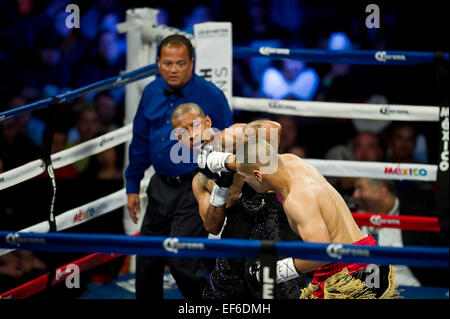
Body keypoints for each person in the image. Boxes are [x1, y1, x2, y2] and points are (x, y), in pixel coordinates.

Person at [198, 138, 401, 299]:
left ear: (258, 176)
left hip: (348, 276)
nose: (248, 184)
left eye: (247, 179)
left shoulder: (298, 199)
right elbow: (255, 158)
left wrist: (275, 270)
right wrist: (222, 161)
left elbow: (321, 253)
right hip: (370, 261)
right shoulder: (292, 161)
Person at [125, 34, 234, 300]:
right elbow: (140, 140)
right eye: (168, 63)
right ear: (158, 63)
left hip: (195, 185)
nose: (174, 69)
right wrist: (132, 184)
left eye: (181, 63)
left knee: (182, 261)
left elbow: (230, 140)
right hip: (160, 184)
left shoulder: (211, 95)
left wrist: (223, 188)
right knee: (148, 256)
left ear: (192, 63)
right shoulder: (151, 92)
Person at [170, 102, 306, 299]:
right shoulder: (200, 181)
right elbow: (212, 226)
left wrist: (227, 159)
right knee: (220, 294)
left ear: (208, 122)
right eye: (182, 132)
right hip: (237, 230)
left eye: (195, 125)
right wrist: (222, 187)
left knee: (281, 292)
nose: (191, 135)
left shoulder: (232, 135)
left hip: (270, 219)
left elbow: (274, 130)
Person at [352, 178, 421, 287]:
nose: (355, 195)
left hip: (411, 289)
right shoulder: (353, 219)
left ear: (381, 192)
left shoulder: (415, 215)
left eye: (360, 189)